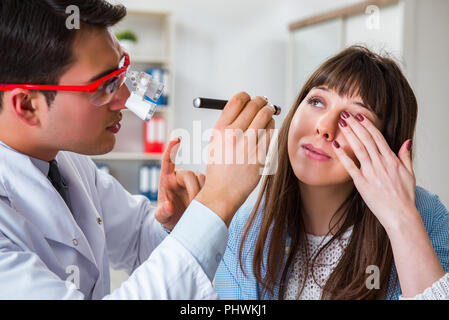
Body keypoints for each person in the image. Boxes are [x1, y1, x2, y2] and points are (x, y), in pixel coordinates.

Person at [0, 0, 275, 299]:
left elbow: (135, 240)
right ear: (27, 105)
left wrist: (173, 223)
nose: (127, 96)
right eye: (104, 85)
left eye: (120, 71)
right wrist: (217, 201)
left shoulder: (66, 159)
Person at [214, 46, 449, 300]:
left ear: (386, 145)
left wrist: (401, 220)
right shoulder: (244, 230)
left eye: (354, 118)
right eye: (316, 102)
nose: (324, 127)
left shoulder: (426, 217)